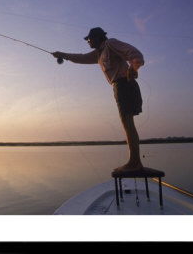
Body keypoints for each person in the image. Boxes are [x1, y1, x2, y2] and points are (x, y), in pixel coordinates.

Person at [52, 27, 145, 173]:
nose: (87, 42)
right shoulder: (98, 54)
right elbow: (81, 58)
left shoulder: (110, 44)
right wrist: (63, 55)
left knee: (128, 123)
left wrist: (134, 68)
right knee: (127, 123)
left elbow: (135, 53)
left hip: (124, 84)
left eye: (89, 39)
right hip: (118, 87)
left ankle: (135, 162)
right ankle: (135, 161)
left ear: (96, 38)